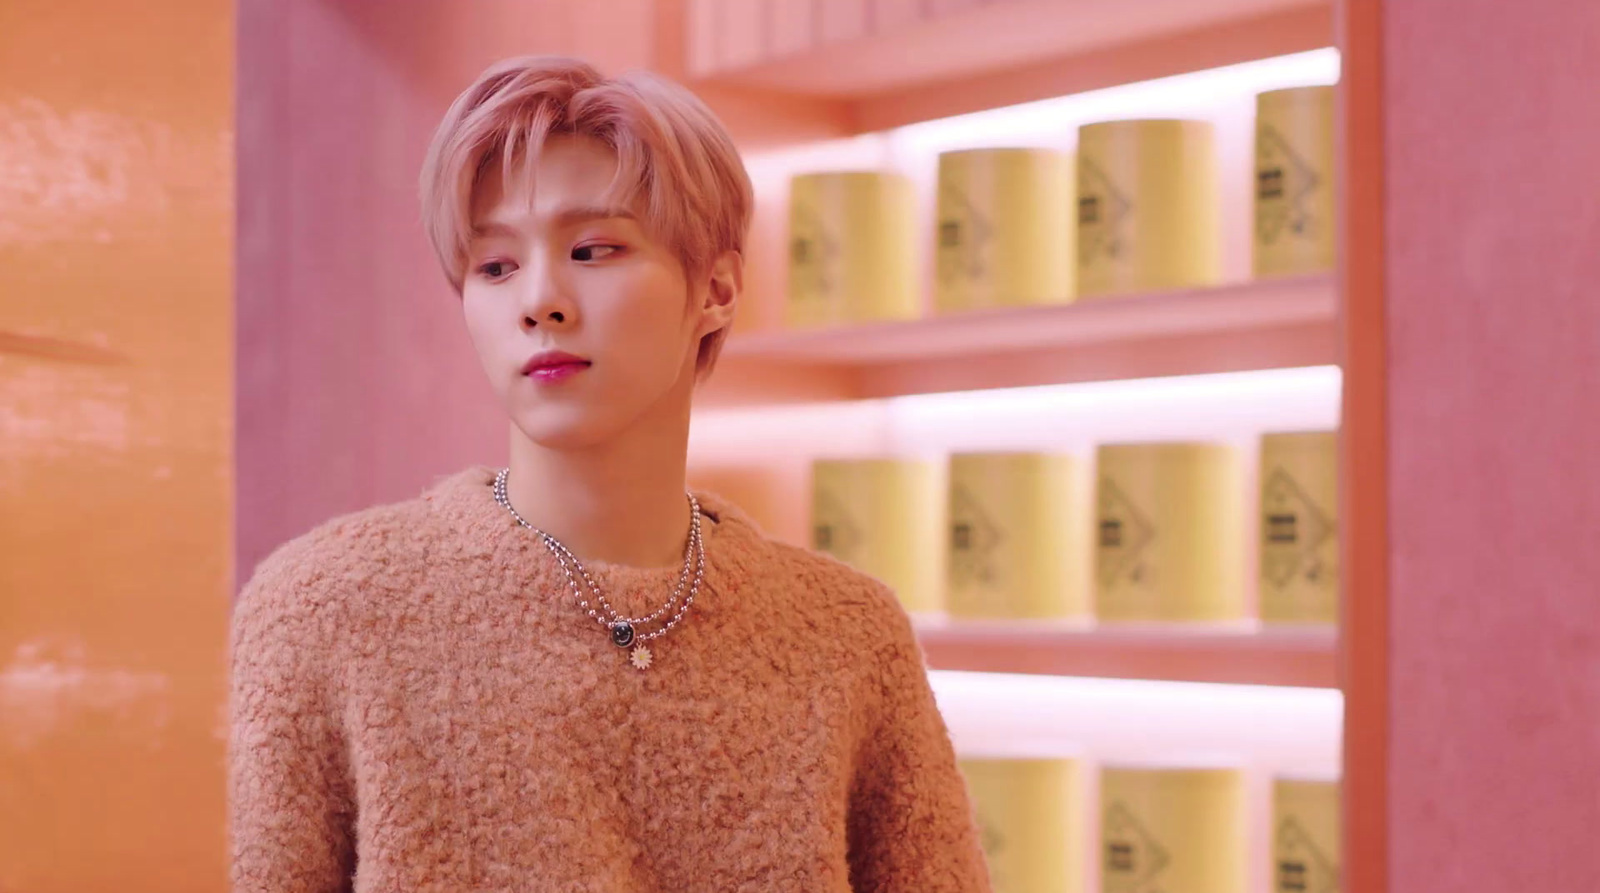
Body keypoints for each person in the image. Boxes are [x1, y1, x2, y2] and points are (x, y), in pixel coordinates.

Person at [228, 55, 992, 892]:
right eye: (495, 266)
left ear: (718, 289)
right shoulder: (325, 608)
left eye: (592, 249)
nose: (539, 299)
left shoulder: (847, 636)